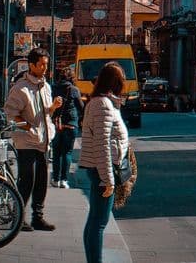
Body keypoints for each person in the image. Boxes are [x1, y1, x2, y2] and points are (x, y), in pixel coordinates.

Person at [4, 47, 62, 232]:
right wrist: (28, 128)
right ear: (32, 65)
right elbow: (11, 114)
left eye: (46, 65)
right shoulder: (21, 88)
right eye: (41, 65)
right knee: (27, 179)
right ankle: (18, 217)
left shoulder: (46, 86)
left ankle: (38, 217)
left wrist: (53, 107)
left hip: (43, 141)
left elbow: (44, 113)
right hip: (26, 141)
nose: (45, 68)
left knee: (41, 180)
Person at [79, 62, 129, 263]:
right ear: (116, 82)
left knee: (94, 221)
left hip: (99, 168)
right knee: (99, 223)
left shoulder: (101, 102)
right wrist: (108, 179)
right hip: (102, 170)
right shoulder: (103, 105)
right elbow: (102, 145)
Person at [51, 66, 84, 188]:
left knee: (56, 152)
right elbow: (81, 107)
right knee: (67, 152)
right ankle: (64, 180)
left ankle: (55, 179)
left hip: (56, 124)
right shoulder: (74, 90)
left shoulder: (53, 88)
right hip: (71, 124)